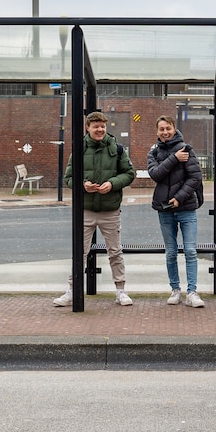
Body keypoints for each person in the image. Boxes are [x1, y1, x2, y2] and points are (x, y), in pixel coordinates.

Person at [55, 111, 136, 307]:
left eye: (102, 126)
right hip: (86, 210)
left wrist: (112, 183)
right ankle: (72, 291)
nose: (100, 129)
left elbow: (129, 173)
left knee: (115, 252)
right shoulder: (79, 148)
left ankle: (121, 291)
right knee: (79, 252)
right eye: (96, 126)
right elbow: (68, 178)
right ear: (88, 128)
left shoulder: (116, 148)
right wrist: (83, 184)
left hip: (110, 210)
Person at [146, 115, 205, 308]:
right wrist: (174, 158)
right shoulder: (153, 152)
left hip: (186, 207)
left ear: (174, 129)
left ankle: (192, 292)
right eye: (161, 129)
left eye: (168, 128)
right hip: (164, 209)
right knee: (171, 252)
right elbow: (155, 174)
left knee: (190, 250)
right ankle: (175, 290)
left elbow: (195, 177)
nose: (165, 132)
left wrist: (179, 198)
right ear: (157, 132)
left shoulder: (186, 149)